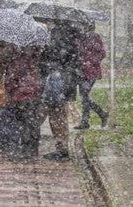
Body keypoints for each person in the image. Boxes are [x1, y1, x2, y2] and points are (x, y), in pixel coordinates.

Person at [40, 21, 82, 161]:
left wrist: (45, 57)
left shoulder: (56, 37)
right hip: (67, 81)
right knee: (60, 115)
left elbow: (51, 59)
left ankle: (62, 149)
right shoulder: (73, 37)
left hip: (58, 81)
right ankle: (62, 147)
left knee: (56, 115)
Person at [74, 23, 108, 129]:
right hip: (81, 71)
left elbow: (102, 53)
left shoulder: (94, 37)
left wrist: (91, 61)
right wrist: (80, 61)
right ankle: (97, 115)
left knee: (84, 95)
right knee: (84, 96)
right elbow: (76, 53)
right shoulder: (77, 38)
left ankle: (88, 119)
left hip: (91, 71)